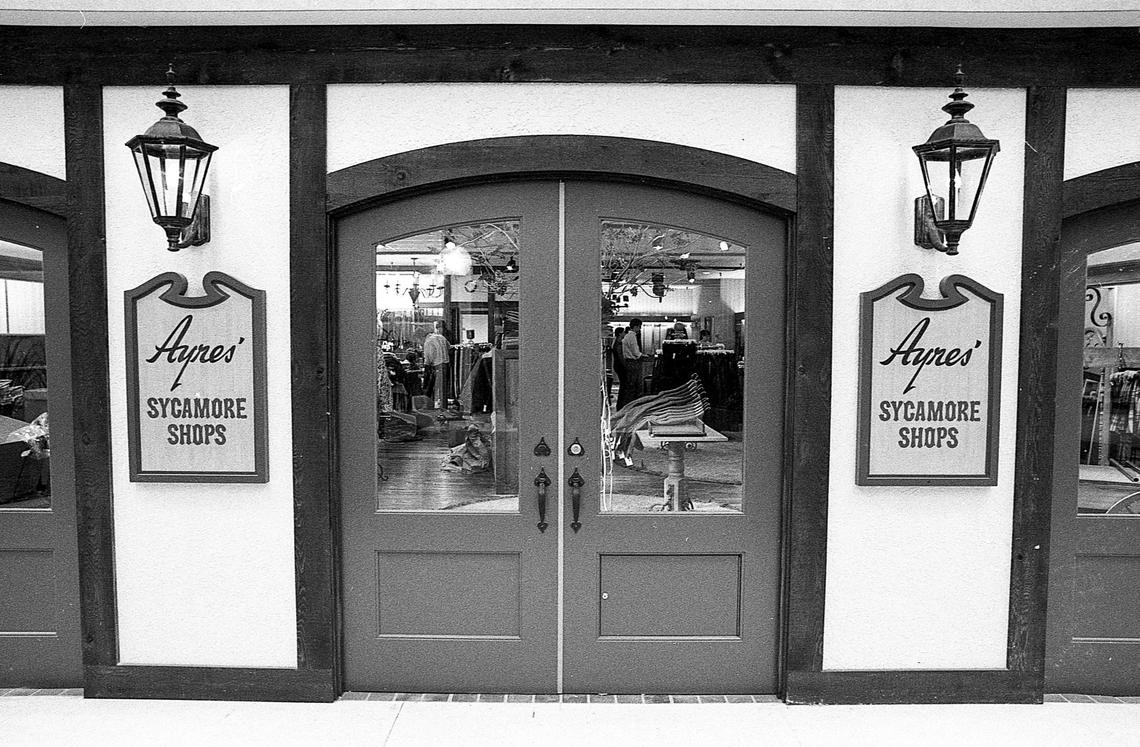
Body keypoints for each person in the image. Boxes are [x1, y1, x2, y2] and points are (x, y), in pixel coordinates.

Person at [618, 318, 645, 410]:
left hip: (629, 363)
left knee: (630, 385)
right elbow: (635, 352)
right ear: (636, 326)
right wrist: (642, 355)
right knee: (635, 385)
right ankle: (633, 406)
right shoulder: (632, 336)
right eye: (639, 327)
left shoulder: (626, 336)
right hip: (633, 363)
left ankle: (628, 406)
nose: (640, 329)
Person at [422, 321, 451, 408]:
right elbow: (449, 347)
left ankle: (434, 407)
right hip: (446, 364)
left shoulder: (428, 341)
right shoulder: (441, 337)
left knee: (434, 388)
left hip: (436, 366)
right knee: (443, 389)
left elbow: (429, 358)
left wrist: (426, 367)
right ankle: (443, 407)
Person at [609, 327, 627, 405]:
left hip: (617, 365)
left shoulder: (615, 341)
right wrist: (626, 365)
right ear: (620, 333)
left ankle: (620, 403)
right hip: (620, 366)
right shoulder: (619, 343)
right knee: (623, 384)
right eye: (623, 332)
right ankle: (621, 403)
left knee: (623, 384)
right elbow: (620, 356)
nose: (624, 334)